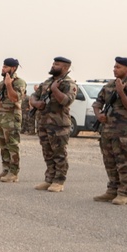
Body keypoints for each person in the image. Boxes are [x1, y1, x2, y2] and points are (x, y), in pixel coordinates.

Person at [29, 57, 77, 192]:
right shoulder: (47, 82)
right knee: (47, 152)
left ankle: (59, 181)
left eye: (57, 64)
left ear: (66, 68)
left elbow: (66, 101)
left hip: (59, 125)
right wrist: (36, 103)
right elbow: (34, 95)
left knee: (59, 153)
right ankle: (49, 178)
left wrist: (55, 90)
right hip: (44, 123)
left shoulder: (69, 83)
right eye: (53, 63)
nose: (53, 66)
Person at [92, 56, 127, 205]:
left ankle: (124, 193)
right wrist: (98, 115)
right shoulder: (108, 86)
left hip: (124, 133)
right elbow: (97, 103)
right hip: (107, 132)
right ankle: (112, 190)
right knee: (109, 162)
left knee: (124, 163)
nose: (115, 69)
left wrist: (121, 92)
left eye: (118, 67)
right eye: (114, 67)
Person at [0, 58, 26, 182]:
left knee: (12, 146)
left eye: (6, 67)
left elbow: (15, 98)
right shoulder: (0, 84)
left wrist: (9, 85)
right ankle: (5, 170)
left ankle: (14, 172)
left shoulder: (19, 82)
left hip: (11, 119)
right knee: (3, 146)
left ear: (13, 68)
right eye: (3, 67)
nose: (3, 69)